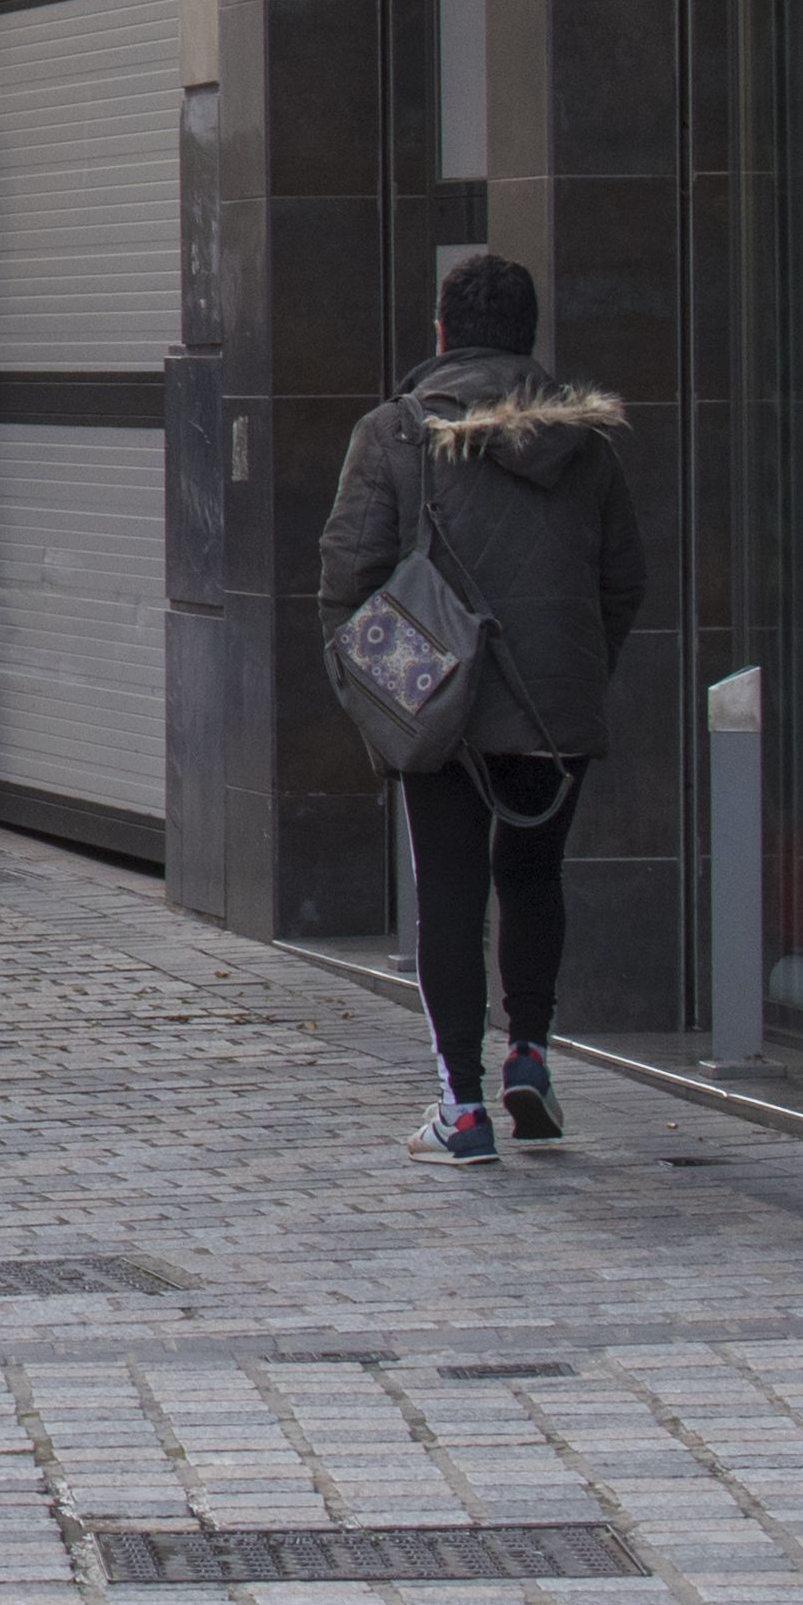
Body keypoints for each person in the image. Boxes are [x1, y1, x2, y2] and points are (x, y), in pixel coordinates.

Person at [321, 251, 645, 1171]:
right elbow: (625, 579)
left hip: (441, 705)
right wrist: (577, 672)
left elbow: (347, 574)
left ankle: (461, 1107)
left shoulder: (394, 434)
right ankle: (531, 1055)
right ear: (529, 337)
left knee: (452, 894)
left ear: (441, 333)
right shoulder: (587, 445)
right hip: (557, 708)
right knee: (535, 876)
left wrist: (380, 690)